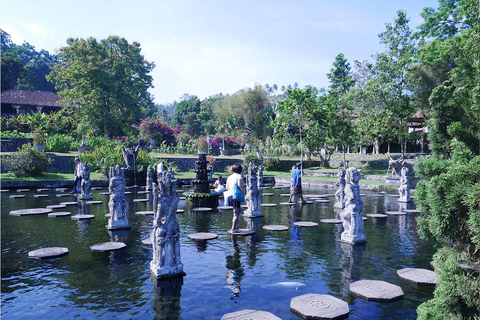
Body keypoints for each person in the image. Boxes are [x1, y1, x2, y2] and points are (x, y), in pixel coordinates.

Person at [226, 163, 244, 233]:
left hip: (230, 196)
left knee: (235, 212)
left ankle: (236, 227)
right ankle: (233, 229)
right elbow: (240, 186)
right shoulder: (239, 176)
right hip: (235, 196)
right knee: (237, 213)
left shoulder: (229, 177)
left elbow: (227, 187)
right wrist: (243, 192)